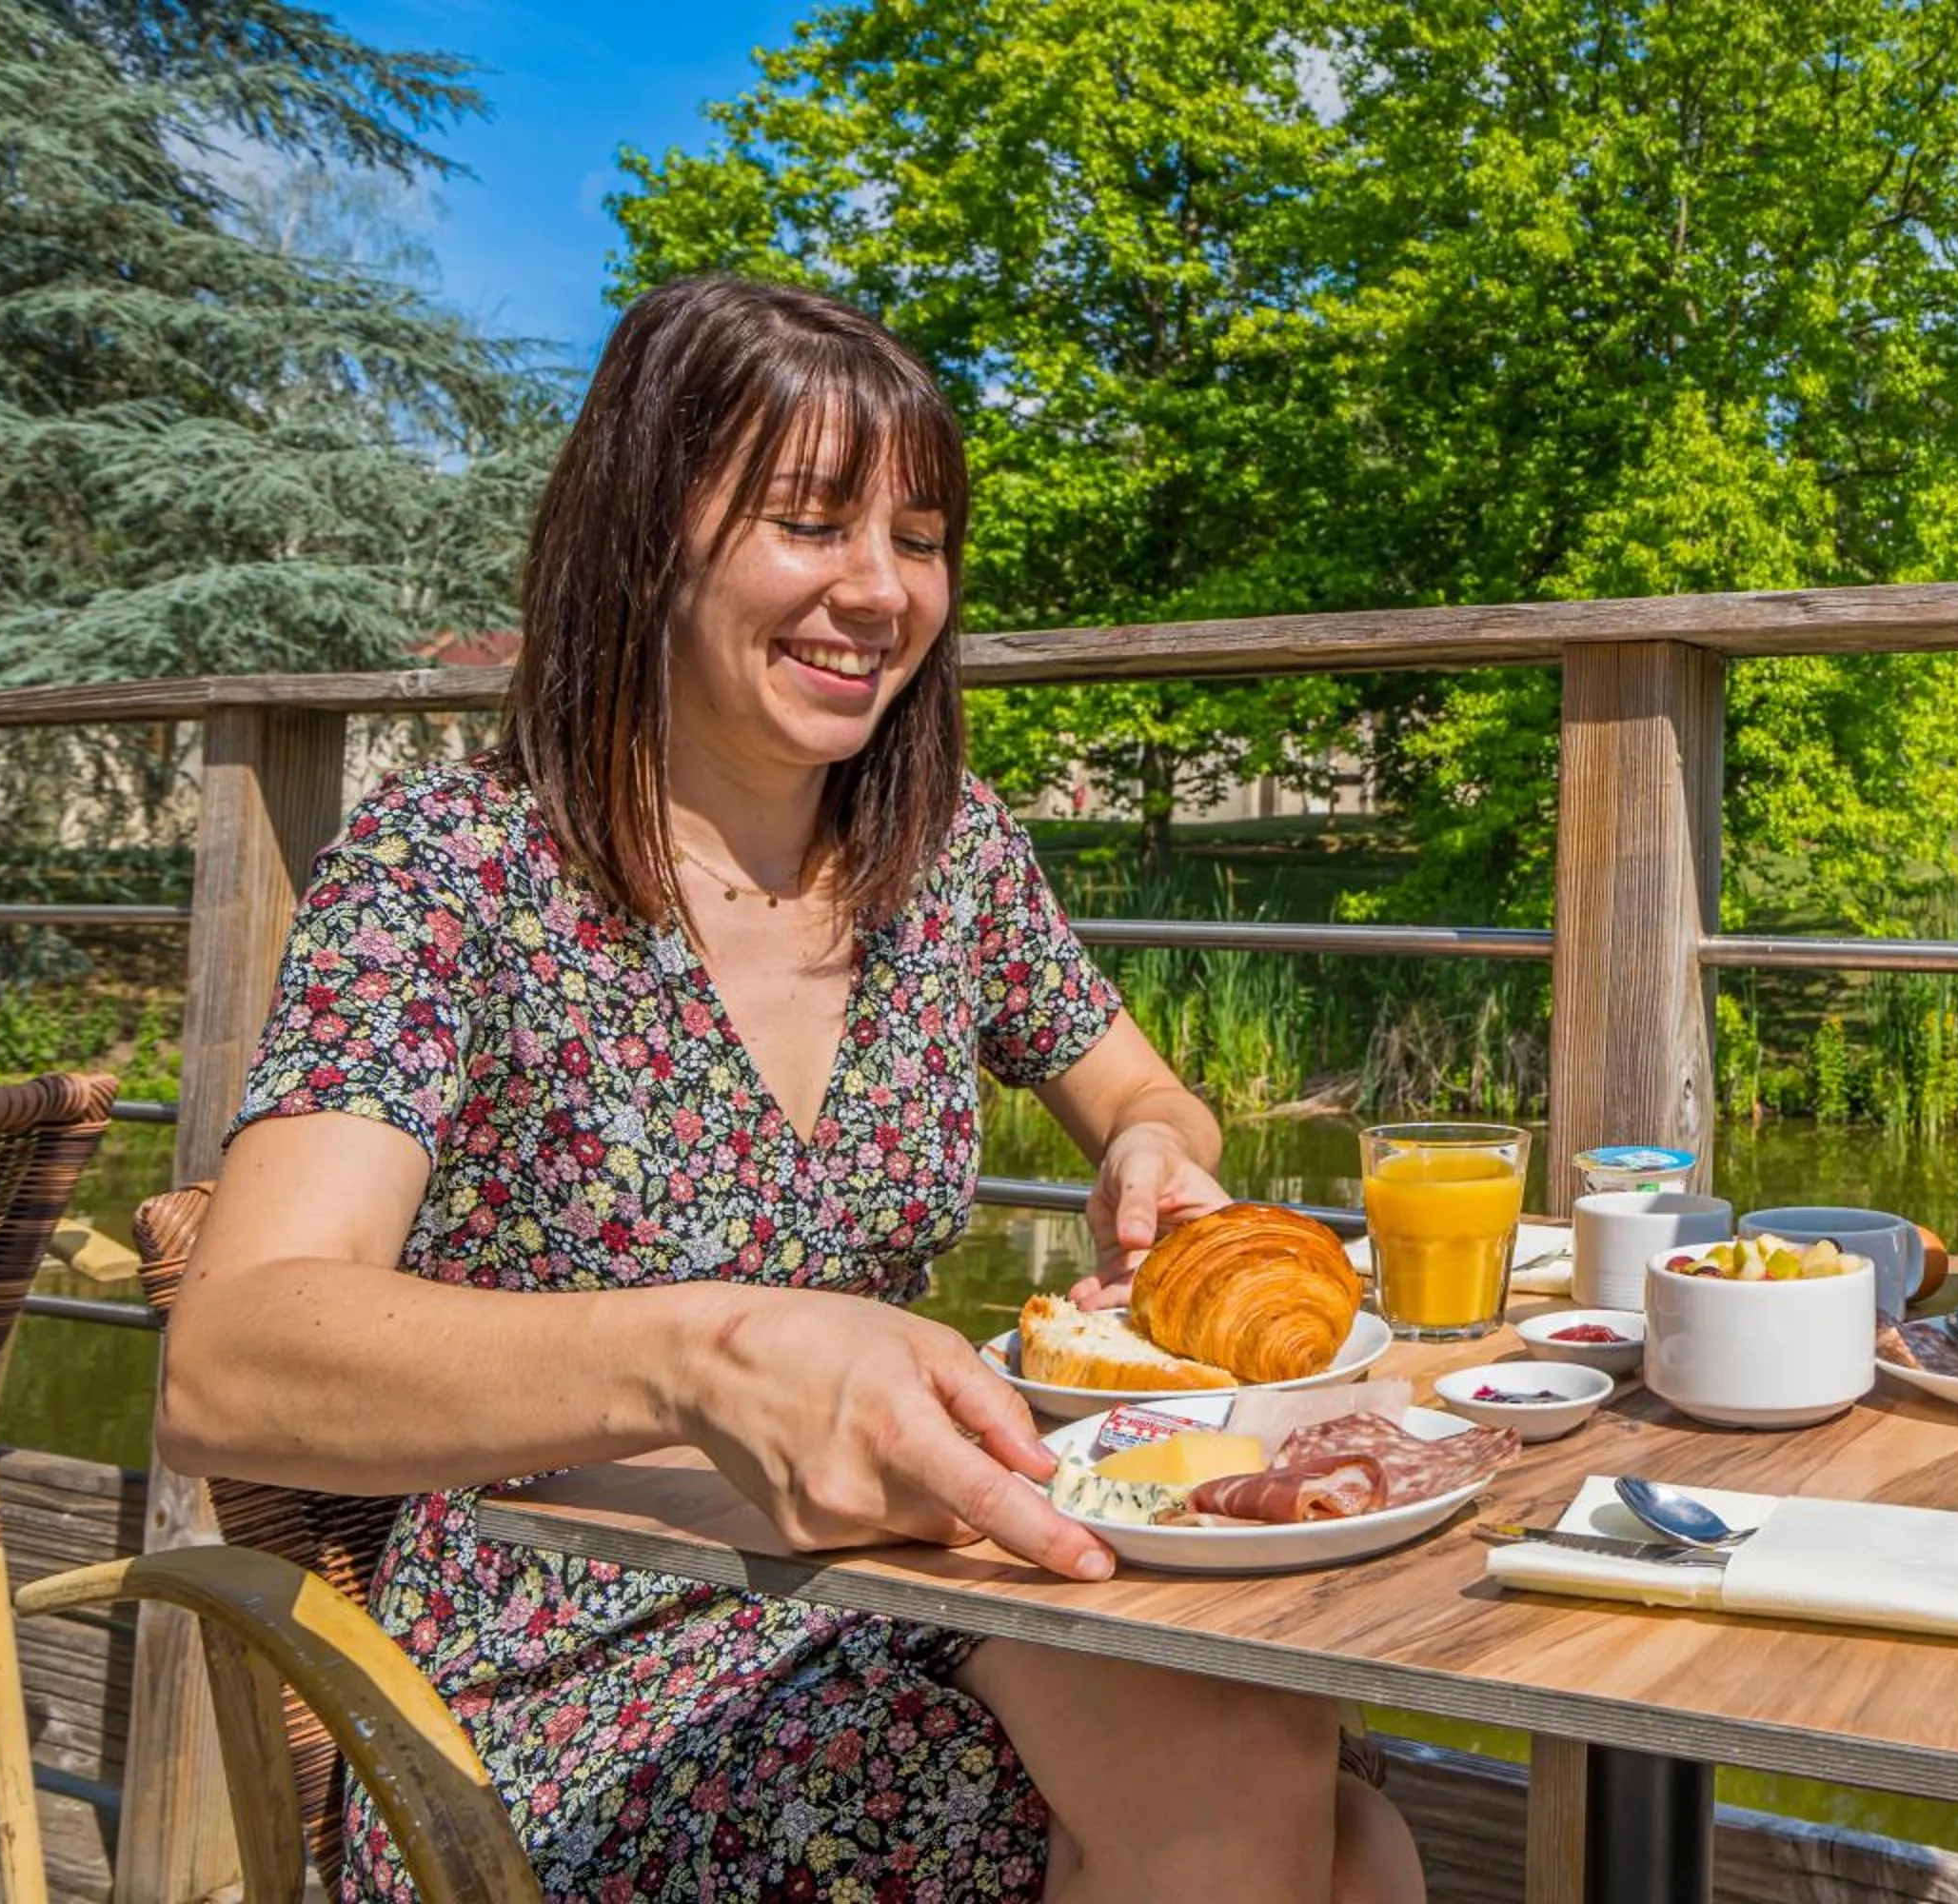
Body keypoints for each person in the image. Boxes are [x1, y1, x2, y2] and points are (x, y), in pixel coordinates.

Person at [158, 273, 1424, 1904]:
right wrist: (704, 1351)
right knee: (1295, 1817)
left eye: (918, 536)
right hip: (574, 1628)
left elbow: (1150, 1098)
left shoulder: (943, 854)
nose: (880, 590)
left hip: (905, 1567)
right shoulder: (454, 873)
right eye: (810, 522)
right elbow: (232, 1358)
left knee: (1305, 1775)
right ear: (645, 539)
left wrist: (1157, 1164)